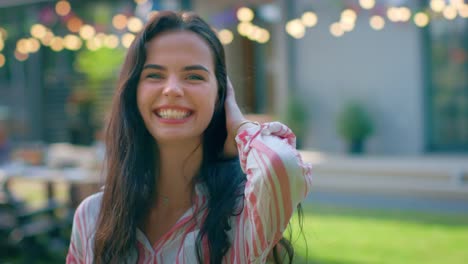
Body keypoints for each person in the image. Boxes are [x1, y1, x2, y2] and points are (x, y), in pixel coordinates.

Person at [66, 11, 313, 264]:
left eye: (194, 76)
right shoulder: (92, 217)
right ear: (133, 92)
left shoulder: (243, 215)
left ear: (220, 95)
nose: (172, 89)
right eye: (154, 75)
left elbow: (282, 166)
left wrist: (239, 126)